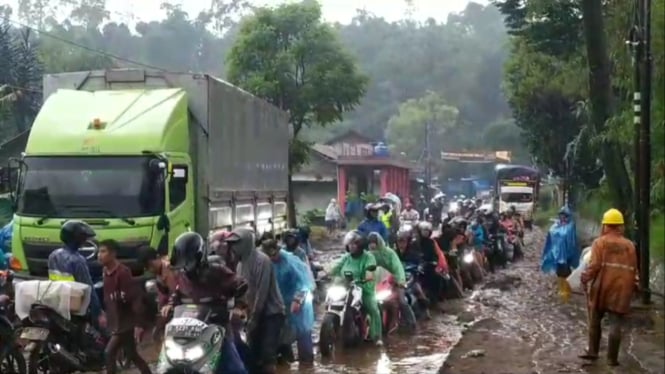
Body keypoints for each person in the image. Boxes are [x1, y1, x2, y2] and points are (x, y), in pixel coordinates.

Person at [166, 232, 249, 374]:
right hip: (190, 332)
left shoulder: (216, 271)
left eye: (188, 262)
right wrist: (170, 305)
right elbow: (178, 294)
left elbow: (239, 284)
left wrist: (236, 304)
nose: (185, 268)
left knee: (235, 369)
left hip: (217, 329)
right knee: (168, 364)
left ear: (199, 257)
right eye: (183, 264)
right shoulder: (181, 275)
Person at [579, 209, 638, 366]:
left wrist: (585, 277)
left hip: (602, 287)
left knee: (595, 319)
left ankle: (593, 351)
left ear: (605, 225)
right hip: (622, 289)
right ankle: (612, 359)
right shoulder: (630, 246)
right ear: (620, 227)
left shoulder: (600, 243)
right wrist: (635, 285)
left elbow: (595, 265)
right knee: (615, 323)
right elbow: (634, 270)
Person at [226, 228, 285, 374]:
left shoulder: (262, 261)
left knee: (267, 356)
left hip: (271, 313)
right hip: (253, 314)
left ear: (245, 243)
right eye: (231, 244)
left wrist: (254, 319)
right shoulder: (240, 265)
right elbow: (241, 293)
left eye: (235, 244)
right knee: (252, 354)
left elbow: (262, 293)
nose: (233, 248)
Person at [98, 240, 152, 374]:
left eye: (103, 251)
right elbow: (107, 296)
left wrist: (138, 324)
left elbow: (134, 298)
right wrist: (104, 314)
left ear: (113, 254)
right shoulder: (105, 272)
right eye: (99, 251)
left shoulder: (123, 272)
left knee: (109, 352)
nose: (99, 255)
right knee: (132, 354)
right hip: (115, 320)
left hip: (125, 322)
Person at [261, 238, 315, 364]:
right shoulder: (266, 263)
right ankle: (286, 360)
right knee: (281, 332)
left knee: (302, 331)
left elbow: (304, 282)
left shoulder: (291, 262)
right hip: (280, 302)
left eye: (273, 255)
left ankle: (306, 364)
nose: (271, 258)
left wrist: (297, 300)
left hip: (298, 302)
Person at [47, 220, 105, 328]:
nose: (84, 240)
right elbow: (88, 288)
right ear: (76, 239)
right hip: (75, 303)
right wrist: (98, 313)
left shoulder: (53, 255)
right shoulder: (77, 260)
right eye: (82, 238)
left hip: (57, 300)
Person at [328, 230, 383, 345]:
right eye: (350, 244)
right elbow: (335, 268)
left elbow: (370, 271)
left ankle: (376, 336)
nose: (351, 246)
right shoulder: (346, 257)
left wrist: (365, 278)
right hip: (344, 287)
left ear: (361, 245)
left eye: (354, 244)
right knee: (329, 302)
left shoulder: (369, 257)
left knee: (373, 309)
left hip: (363, 288)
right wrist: (326, 273)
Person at [367, 232, 416, 329]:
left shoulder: (390, 253)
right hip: (378, 283)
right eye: (370, 243)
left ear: (379, 242)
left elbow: (397, 267)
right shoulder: (368, 255)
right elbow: (365, 267)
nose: (372, 245)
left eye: (374, 242)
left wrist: (400, 281)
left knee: (402, 301)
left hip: (394, 280)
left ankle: (412, 323)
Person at [137, 246, 178, 338]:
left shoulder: (169, 269)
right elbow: (162, 297)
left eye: (150, 265)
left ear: (157, 258)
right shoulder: (159, 273)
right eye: (147, 266)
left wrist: (170, 305)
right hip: (166, 307)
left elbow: (175, 291)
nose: (149, 269)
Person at [541, 206, 579, 303]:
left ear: (567, 216)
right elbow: (551, 237)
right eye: (561, 215)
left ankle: (566, 292)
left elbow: (572, 241)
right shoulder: (556, 226)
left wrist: (569, 255)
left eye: (564, 216)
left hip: (566, 254)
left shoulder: (570, 226)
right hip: (556, 254)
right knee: (559, 272)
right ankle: (561, 291)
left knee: (566, 272)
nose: (563, 217)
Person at [413, 222, 449, 305]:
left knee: (440, 277)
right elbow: (413, 253)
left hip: (430, 265)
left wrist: (435, 262)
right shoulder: (415, 242)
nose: (426, 232)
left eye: (427, 231)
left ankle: (436, 298)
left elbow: (436, 254)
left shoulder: (431, 242)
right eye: (424, 230)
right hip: (417, 265)